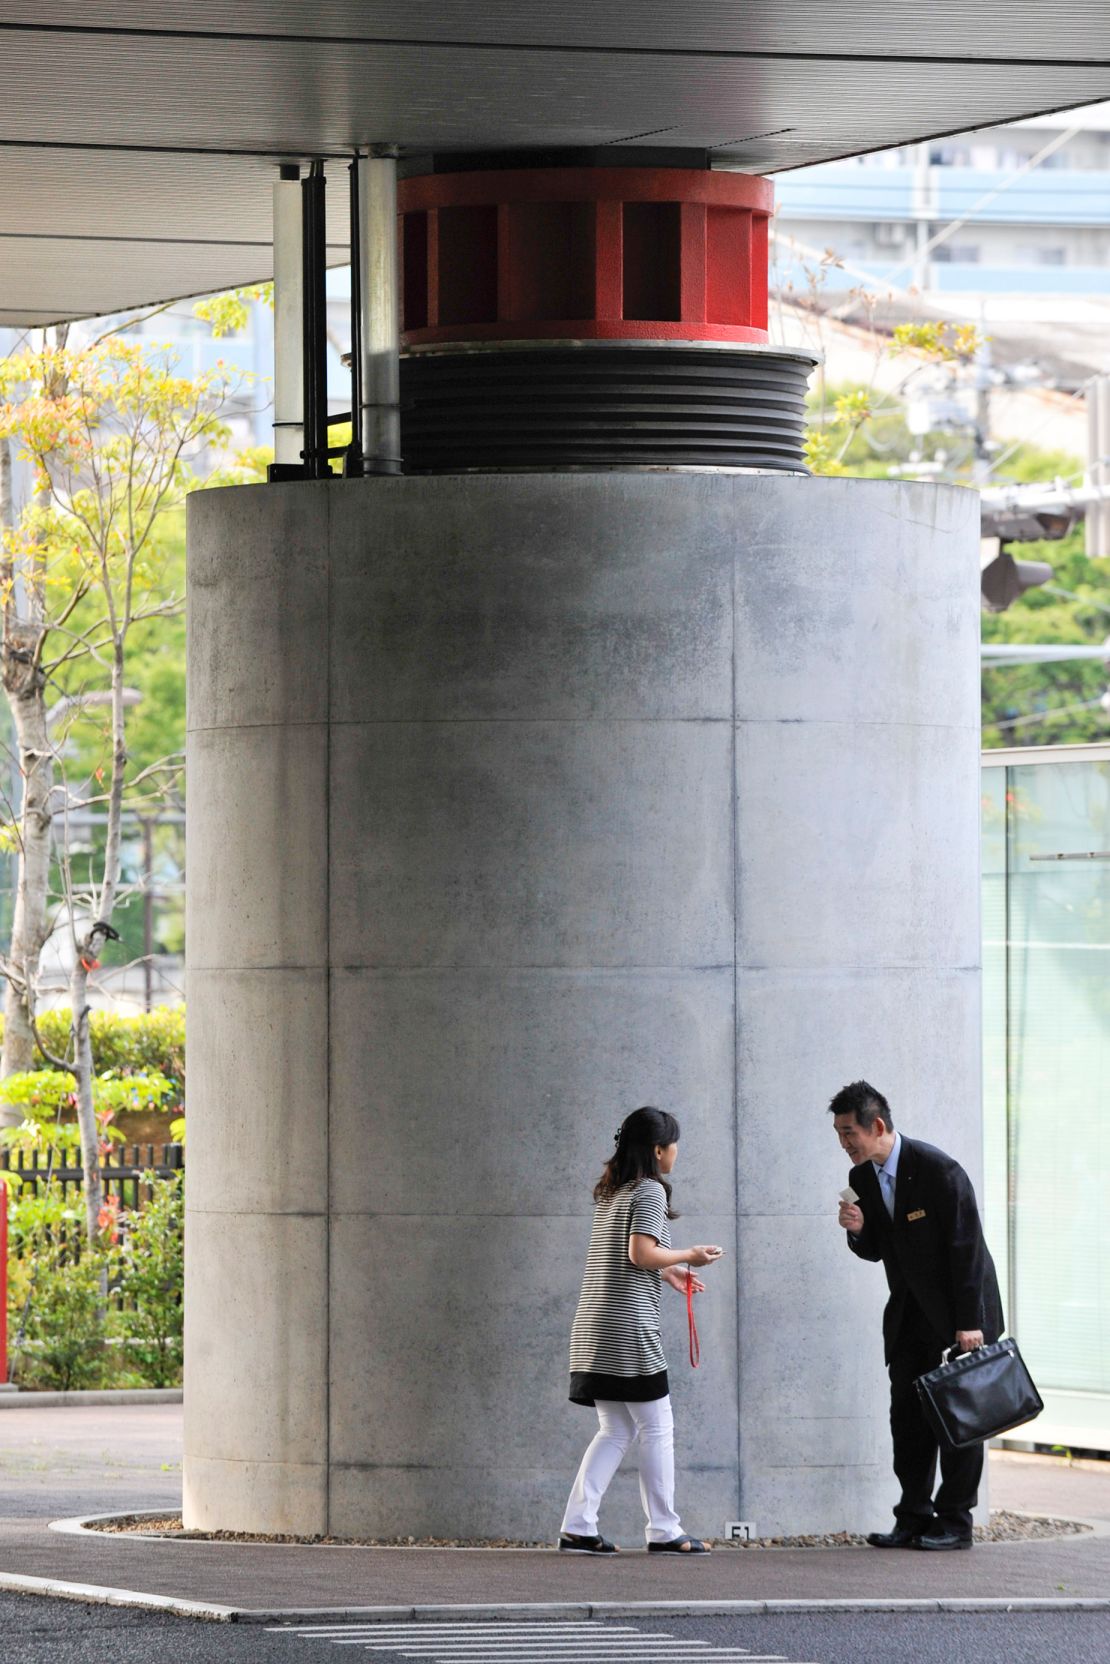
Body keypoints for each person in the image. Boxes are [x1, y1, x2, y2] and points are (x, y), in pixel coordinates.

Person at [831, 1080, 1004, 1551]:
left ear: (878, 1125)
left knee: (960, 1421)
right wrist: (859, 1231)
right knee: (906, 1419)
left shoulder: (939, 1171)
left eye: (849, 1132)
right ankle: (912, 1515)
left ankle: (955, 1521)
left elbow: (967, 1251)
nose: (844, 1143)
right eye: (839, 1134)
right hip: (909, 1316)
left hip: (958, 1316)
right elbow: (878, 1250)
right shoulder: (865, 1178)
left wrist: (970, 1323)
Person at [559, 1105, 723, 1554]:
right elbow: (640, 1254)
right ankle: (665, 1529)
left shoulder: (614, 1191)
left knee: (614, 1430)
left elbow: (632, 1257)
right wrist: (688, 1255)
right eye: (673, 1147)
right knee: (657, 1427)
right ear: (657, 1150)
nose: (675, 1154)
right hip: (629, 1329)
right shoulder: (649, 1191)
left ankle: (578, 1524)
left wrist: (669, 1274)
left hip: (595, 1326)